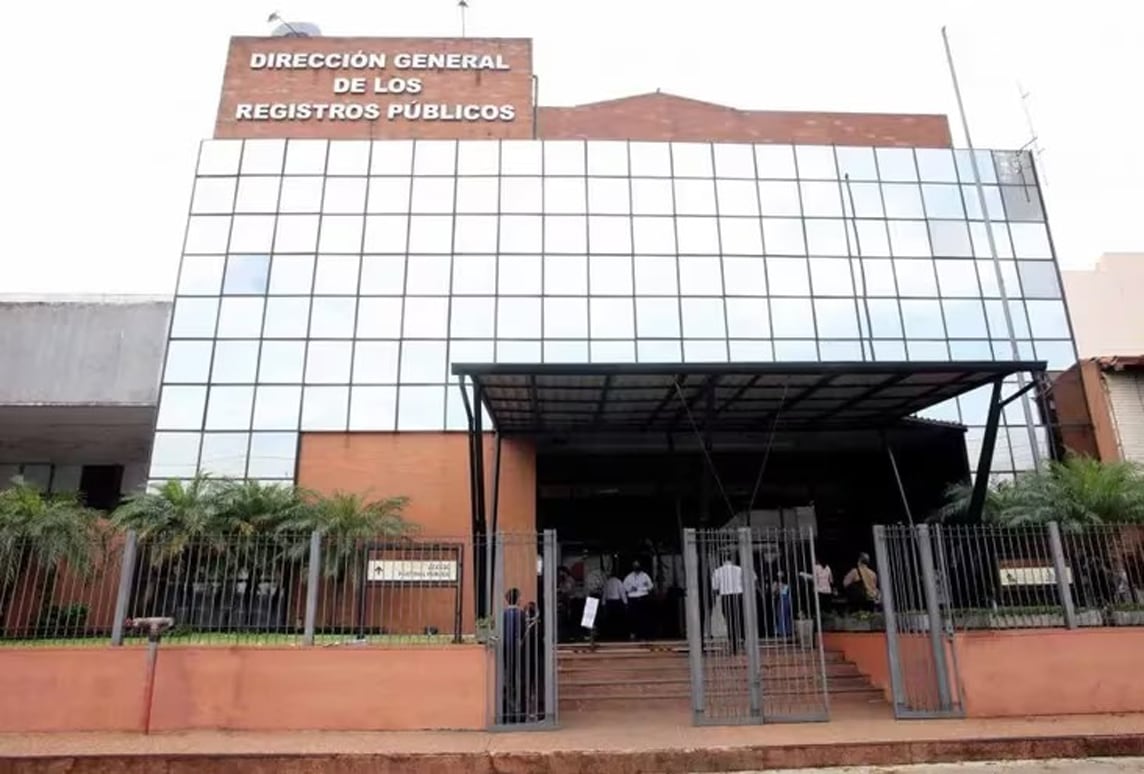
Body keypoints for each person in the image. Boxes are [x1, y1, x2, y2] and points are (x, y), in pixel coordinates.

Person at [501, 588, 526, 722]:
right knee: (519, 673)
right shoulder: (521, 614)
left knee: (508, 672)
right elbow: (523, 632)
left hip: (505, 648)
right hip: (517, 648)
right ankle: (516, 700)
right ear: (517, 599)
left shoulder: (503, 614)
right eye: (520, 597)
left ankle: (508, 695)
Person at [711, 552, 745, 654]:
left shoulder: (718, 571)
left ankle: (732, 641)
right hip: (738, 595)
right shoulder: (739, 569)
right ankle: (742, 638)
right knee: (740, 618)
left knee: (729, 620)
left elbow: (715, 587)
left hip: (726, 596)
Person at [623, 560, 654, 640]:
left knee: (643, 617)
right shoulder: (629, 576)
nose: (636, 567)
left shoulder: (645, 576)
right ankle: (633, 633)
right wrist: (630, 588)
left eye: (637, 565)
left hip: (643, 597)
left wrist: (645, 588)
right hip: (633, 598)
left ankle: (643, 634)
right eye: (635, 565)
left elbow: (650, 586)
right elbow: (624, 586)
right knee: (633, 617)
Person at [601, 569, 628, 641]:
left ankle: (610, 634)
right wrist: (625, 603)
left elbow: (604, 594)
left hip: (609, 603)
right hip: (617, 603)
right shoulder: (618, 582)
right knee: (617, 619)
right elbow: (622, 593)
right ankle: (617, 634)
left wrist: (603, 604)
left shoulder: (607, 582)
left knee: (610, 620)